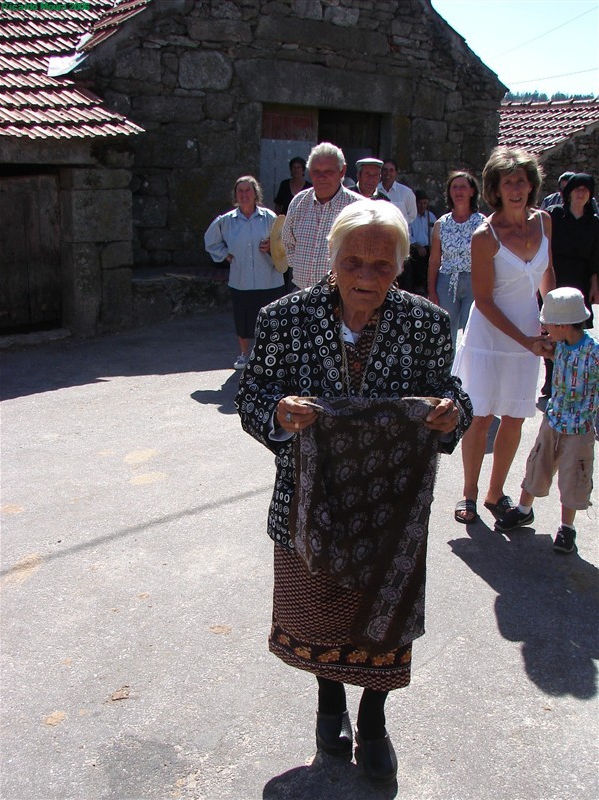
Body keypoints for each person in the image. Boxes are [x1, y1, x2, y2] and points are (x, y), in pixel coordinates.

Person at [236, 200, 472, 785]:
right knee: (321, 614)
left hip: (391, 512)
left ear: (402, 264)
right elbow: (253, 395)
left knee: (381, 621)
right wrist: (278, 412)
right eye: (353, 263)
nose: (366, 277)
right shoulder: (283, 319)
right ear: (332, 259)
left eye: (382, 266)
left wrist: (452, 414)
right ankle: (328, 703)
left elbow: (449, 392)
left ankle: (374, 716)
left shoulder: (427, 324)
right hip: (308, 503)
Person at [452, 147, 556, 524]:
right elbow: (483, 300)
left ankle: (496, 495)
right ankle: (469, 494)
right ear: (495, 187)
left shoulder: (544, 222)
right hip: (489, 339)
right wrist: (528, 340)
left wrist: (552, 321)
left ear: (532, 184)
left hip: (529, 336)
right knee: (481, 418)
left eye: (521, 181)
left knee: (515, 417)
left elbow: (547, 275)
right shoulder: (485, 236)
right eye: (507, 181)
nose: (516, 188)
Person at [495, 288, 598, 555]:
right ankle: (523, 510)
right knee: (538, 463)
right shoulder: (558, 346)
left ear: (563, 325)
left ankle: (567, 528)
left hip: (580, 428)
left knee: (573, 475)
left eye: (548, 323)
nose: (544, 326)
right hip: (553, 421)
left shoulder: (593, 352)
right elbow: (545, 349)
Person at [204, 175, 286, 370]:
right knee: (243, 319)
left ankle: (269, 357)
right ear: (235, 195)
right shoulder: (226, 221)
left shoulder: (270, 218)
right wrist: (225, 255)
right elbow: (210, 241)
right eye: (240, 191)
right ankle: (244, 355)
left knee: (270, 320)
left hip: (269, 279)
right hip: (241, 280)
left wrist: (272, 247)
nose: (244, 194)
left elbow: (285, 243)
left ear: (255, 193)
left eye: (248, 190)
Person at [540, 173, 599, 395]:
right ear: (569, 193)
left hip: (580, 280)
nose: (581, 193)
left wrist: (595, 284)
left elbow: (595, 257)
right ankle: (551, 377)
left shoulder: (594, 222)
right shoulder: (554, 215)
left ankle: (571, 377)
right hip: (555, 275)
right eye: (577, 189)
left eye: (585, 189)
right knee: (551, 329)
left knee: (574, 330)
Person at [282, 142, 361, 290]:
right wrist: (301, 266)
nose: (321, 177)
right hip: (301, 294)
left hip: (341, 296)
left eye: (329, 172)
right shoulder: (299, 202)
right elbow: (287, 242)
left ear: (342, 171)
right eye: (316, 172)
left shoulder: (358, 208)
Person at [427, 172, 485, 347]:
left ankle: (467, 371)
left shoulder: (482, 222)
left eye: (463, 187)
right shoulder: (441, 224)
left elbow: (487, 259)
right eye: (454, 187)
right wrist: (432, 290)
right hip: (447, 282)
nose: (458, 191)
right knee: (445, 331)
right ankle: (446, 371)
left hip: (473, 281)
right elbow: (435, 260)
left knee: (471, 330)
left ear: (472, 191)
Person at [408, 189, 436, 295]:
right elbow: (408, 233)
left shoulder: (431, 216)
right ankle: (418, 286)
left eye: (424, 203)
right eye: (420, 203)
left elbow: (435, 233)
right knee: (417, 258)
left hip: (428, 246)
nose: (422, 206)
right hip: (415, 247)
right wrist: (417, 245)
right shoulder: (411, 216)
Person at [377, 159, 417, 223]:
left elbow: (412, 215)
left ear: (396, 173)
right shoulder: (374, 190)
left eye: (391, 170)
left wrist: (399, 224)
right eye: (385, 170)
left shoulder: (406, 192)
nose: (388, 173)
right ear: (381, 172)